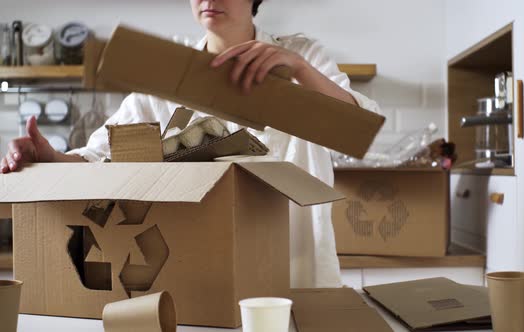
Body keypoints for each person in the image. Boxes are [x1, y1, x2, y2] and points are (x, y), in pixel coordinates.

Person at [0, 0, 380, 288]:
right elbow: (101, 157)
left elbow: (356, 130)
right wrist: (49, 157)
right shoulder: (167, 72)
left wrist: (297, 69)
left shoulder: (302, 56)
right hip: (199, 270)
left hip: (296, 264)